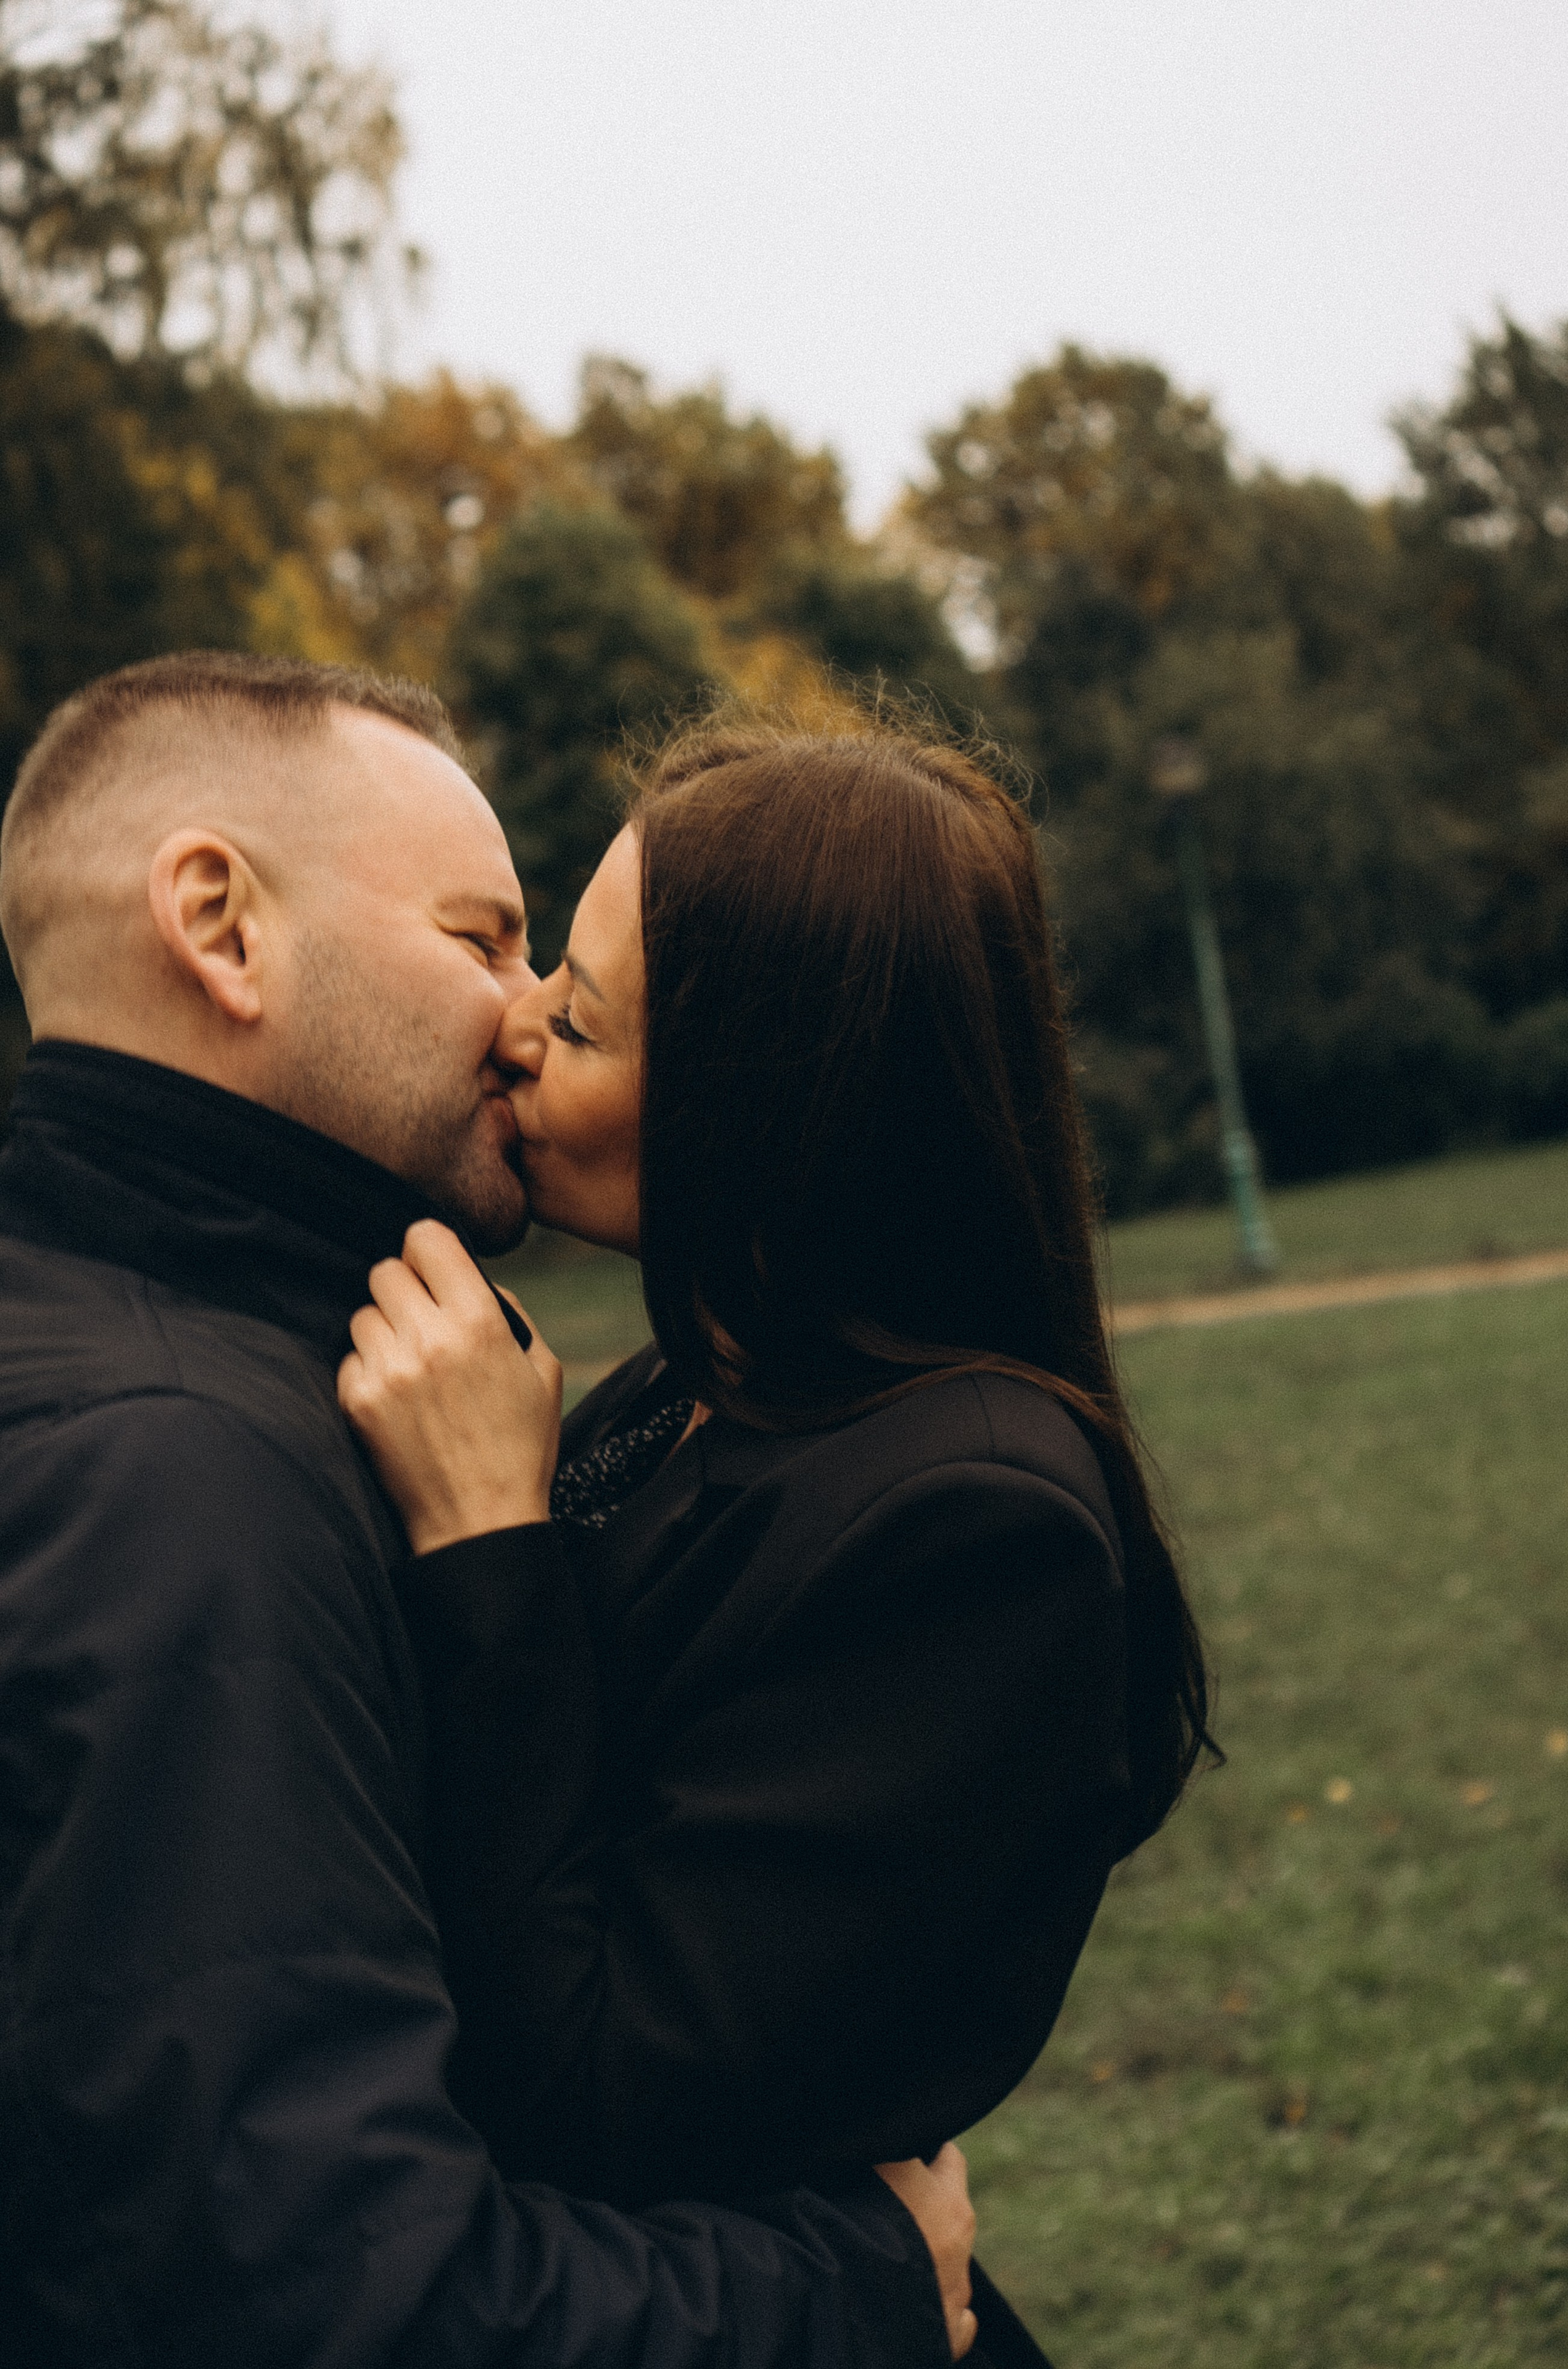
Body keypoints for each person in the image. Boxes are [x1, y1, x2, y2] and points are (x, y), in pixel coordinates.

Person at [0, 655, 976, 2369]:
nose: (528, 1016)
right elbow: (328, 2300)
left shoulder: (149, 1357)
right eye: (483, 939)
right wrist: (854, 2290)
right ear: (221, 926)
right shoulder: (179, 1482)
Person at [338, 726, 1215, 2234]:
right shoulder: (688, 1390)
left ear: (765, 1099)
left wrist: (484, 1539)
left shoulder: (976, 1526)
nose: (514, 1027)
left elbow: (602, 2091)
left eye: (581, 1020)